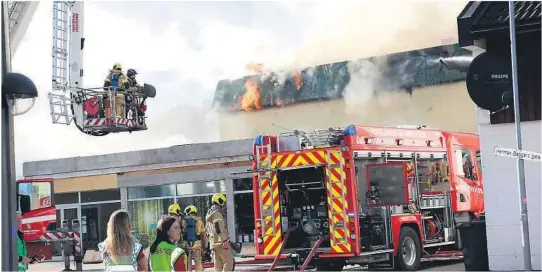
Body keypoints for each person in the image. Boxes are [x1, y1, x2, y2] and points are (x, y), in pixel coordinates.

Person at [205, 193, 234, 272]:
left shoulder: (209, 213)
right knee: (228, 262)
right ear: (220, 201)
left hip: (213, 243)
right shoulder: (217, 213)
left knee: (218, 265)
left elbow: (207, 230)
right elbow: (218, 227)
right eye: (223, 202)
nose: (223, 204)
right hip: (220, 243)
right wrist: (224, 240)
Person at [184, 205, 206, 272]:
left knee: (188, 264)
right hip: (197, 244)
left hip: (187, 245)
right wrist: (204, 247)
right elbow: (203, 235)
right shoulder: (200, 221)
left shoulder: (184, 221)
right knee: (198, 263)